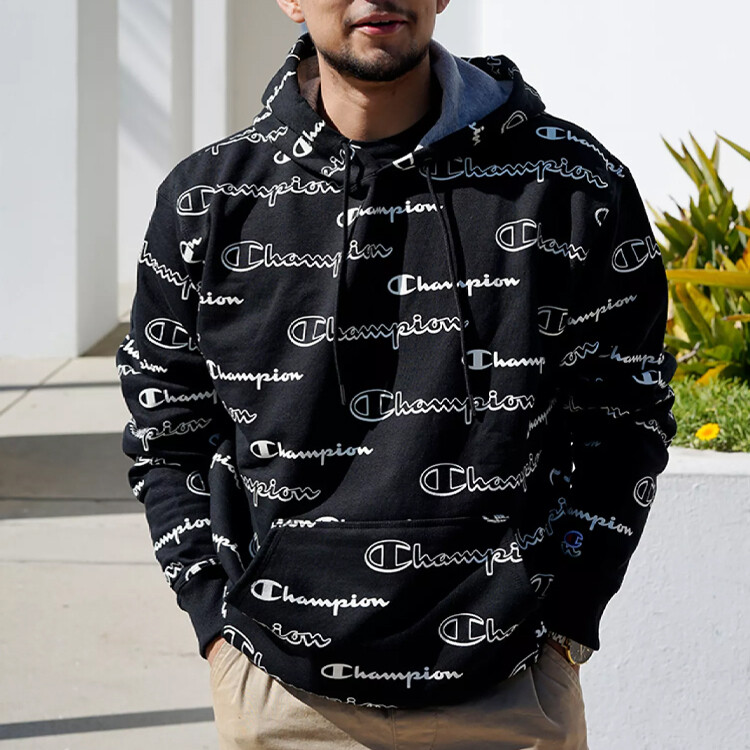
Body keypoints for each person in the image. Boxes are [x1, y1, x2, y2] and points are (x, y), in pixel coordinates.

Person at [117, 1, 676, 747]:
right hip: (283, 698)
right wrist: (214, 623)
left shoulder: (572, 185)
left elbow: (626, 417)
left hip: (509, 695)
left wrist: (567, 622)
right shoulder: (210, 198)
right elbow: (167, 431)